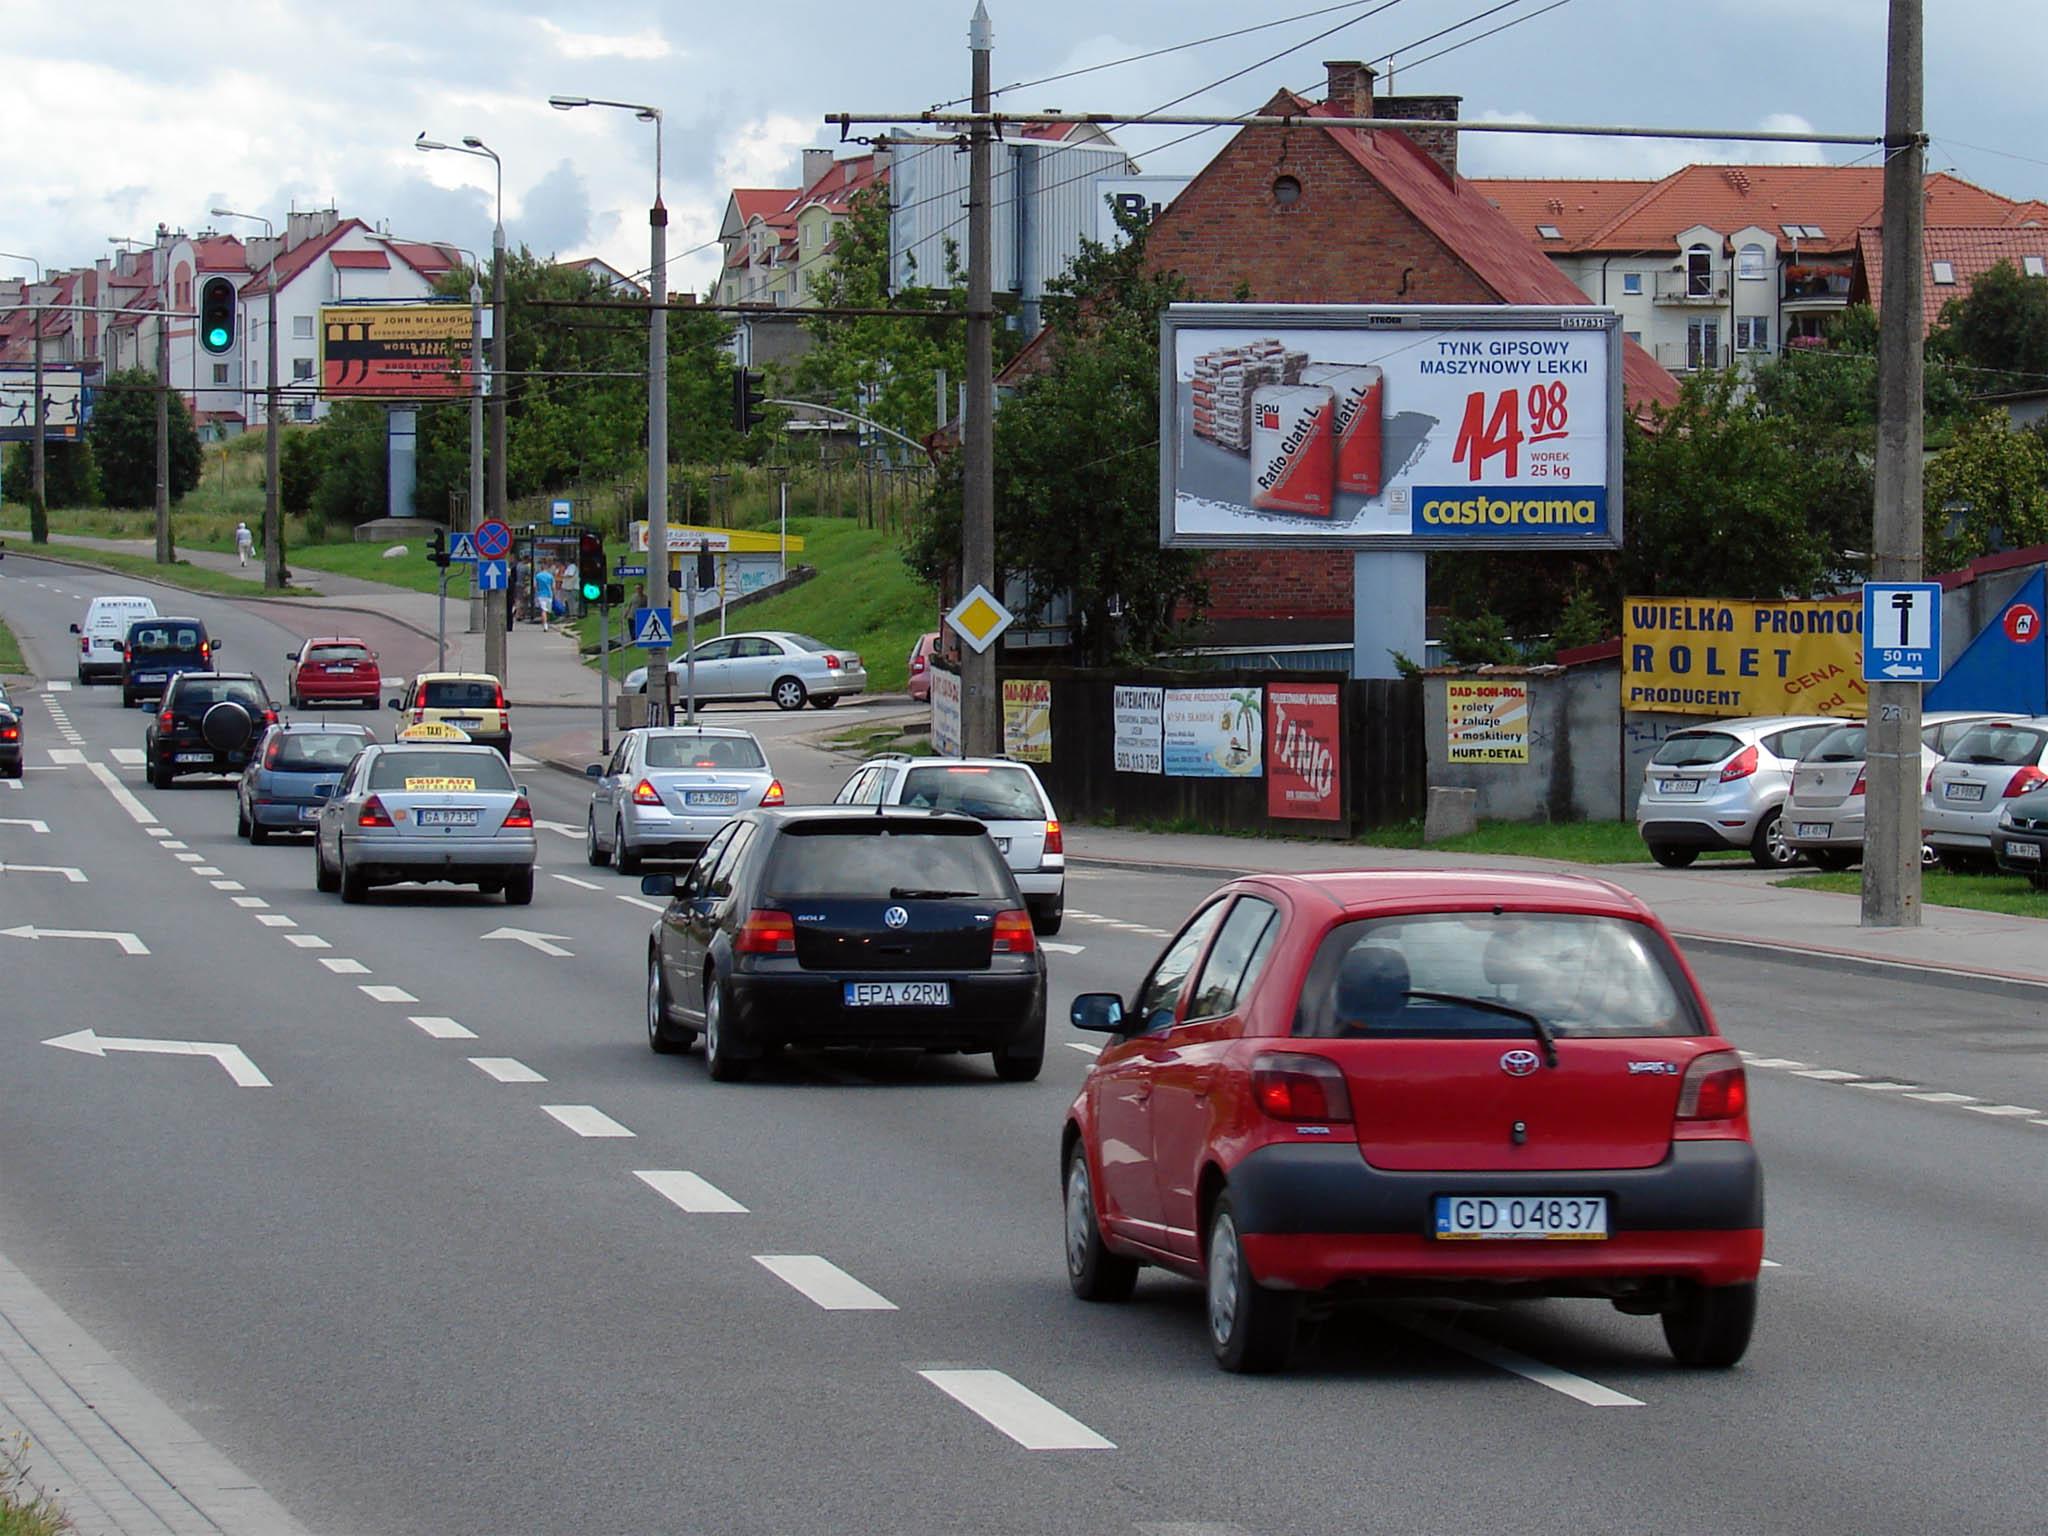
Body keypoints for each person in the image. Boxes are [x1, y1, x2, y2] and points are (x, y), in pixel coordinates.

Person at [533, 563, 556, 631]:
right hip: (549, 594)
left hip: (541, 594)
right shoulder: (550, 576)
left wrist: (537, 592)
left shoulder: (538, 576)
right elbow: (553, 586)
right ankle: (546, 623)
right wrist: (554, 594)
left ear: (541, 568)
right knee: (548, 610)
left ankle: (545, 624)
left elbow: (535, 586)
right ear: (547, 569)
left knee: (543, 610)